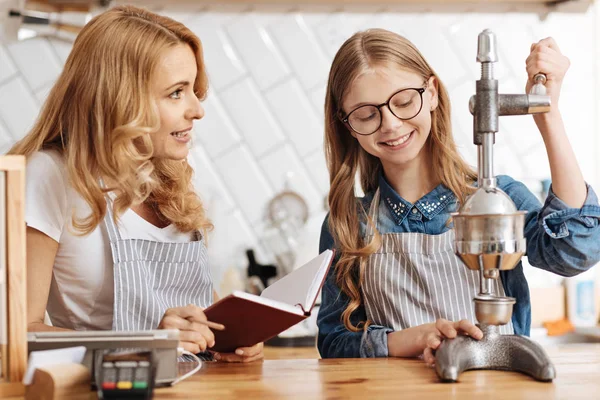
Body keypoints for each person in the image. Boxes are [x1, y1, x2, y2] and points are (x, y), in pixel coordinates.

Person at [316, 28, 600, 365]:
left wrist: (548, 115)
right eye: (367, 114)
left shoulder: (498, 199)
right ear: (348, 124)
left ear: (432, 92)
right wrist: (402, 341)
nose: (390, 124)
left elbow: (576, 251)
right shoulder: (347, 223)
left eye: (404, 101)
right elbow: (333, 341)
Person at [9, 5, 262, 363]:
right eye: (176, 92)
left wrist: (227, 337)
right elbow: (20, 329)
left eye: (193, 90)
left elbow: (188, 319)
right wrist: (148, 341)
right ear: (120, 99)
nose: (197, 109)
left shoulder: (169, 171)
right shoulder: (51, 175)